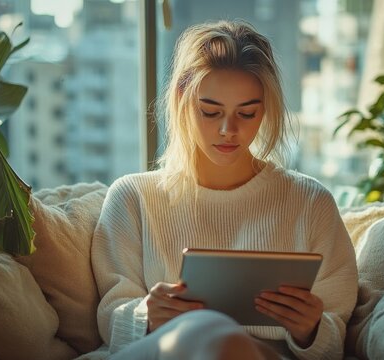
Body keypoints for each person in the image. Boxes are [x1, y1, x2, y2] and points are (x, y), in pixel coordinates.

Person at [91, 20, 358, 359]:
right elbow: (110, 319)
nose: (228, 129)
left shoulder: (309, 202)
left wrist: (311, 330)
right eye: (210, 111)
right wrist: (145, 315)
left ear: (266, 110)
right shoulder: (133, 198)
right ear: (181, 99)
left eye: (247, 113)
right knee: (203, 332)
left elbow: (335, 336)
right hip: (166, 353)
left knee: (220, 339)